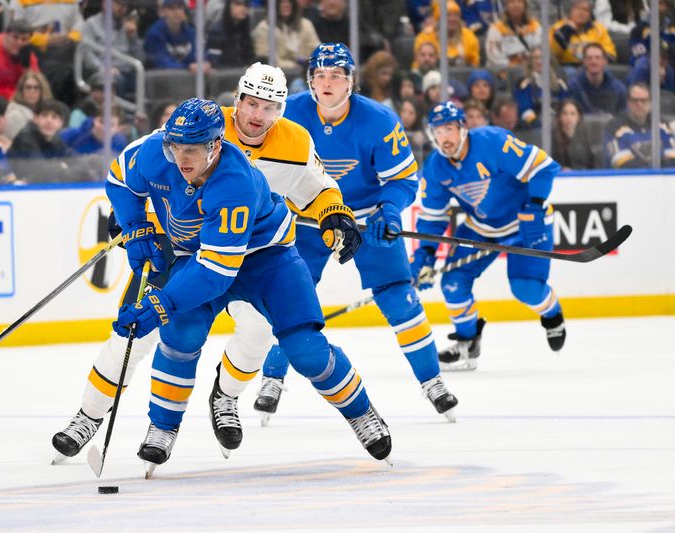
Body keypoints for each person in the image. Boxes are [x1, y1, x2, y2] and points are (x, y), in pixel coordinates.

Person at [50, 62, 367, 459]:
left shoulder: (294, 145)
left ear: (282, 110)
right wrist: (134, 221)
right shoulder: (193, 129)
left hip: (254, 256)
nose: (257, 116)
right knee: (133, 333)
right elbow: (130, 177)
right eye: (251, 103)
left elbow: (318, 190)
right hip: (183, 253)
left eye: (269, 107)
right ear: (236, 100)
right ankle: (87, 417)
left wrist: (334, 211)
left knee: (255, 334)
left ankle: (225, 397)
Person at [106, 98, 392, 476]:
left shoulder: (234, 182)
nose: (181, 158)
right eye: (176, 147)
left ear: (215, 146)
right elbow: (119, 179)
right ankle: (162, 425)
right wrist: (134, 225)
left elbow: (217, 272)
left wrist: (160, 304)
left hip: (265, 258)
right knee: (180, 337)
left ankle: (362, 414)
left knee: (306, 349)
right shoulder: (156, 153)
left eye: (191, 149)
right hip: (202, 256)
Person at [253, 43, 458, 423]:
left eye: (336, 76)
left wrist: (390, 209)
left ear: (351, 82)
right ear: (310, 81)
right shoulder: (287, 114)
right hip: (307, 218)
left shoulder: (379, 120)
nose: (327, 82)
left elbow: (401, 178)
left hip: (364, 219)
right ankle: (272, 377)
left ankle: (432, 381)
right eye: (320, 75)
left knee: (399, 297)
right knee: (288, 299)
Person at [412, 101, 566, 372]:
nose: (444, 137)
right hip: (482, 227)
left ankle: (552, 315)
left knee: (526, 288)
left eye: (449, 129)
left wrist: (534, 206)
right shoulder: (436, 167)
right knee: (452, 282)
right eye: (438, 131)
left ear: (463, 128)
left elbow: (544, 167)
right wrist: (424, 255)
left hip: (525, 222)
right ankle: (468, 342)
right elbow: (433, 217)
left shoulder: (493, 142)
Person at [604, 82, 675, 168]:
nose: (639, 104)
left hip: (662, 178)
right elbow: (622, 162)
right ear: (628, 103)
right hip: (628, 179)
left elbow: (672, 158)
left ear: (650, 102)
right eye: (635, 100)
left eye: (644, 100)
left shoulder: (661, 124)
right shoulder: (614, 127)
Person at [0, 18, 39, 101]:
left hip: (20, 99)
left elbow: (37, 84)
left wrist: (27, 68)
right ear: (5, 35)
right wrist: (22, 97)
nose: (19, 42)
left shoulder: (27, 53)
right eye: (15, 37)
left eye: (24, 39)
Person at [252, 0, 320, 70]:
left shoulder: (306, 25)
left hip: (306, 70)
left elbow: (316, 49)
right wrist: (292, 66)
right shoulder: (265, 28)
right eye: (282, 2)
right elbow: (265, 57)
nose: (286, 5)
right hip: (277, 72)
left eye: (289, 2)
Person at [550, 0, 616, 67]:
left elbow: (610, 54)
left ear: (590, 14)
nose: (581, 12)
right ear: (570, 10)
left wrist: (595, 58)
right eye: (578, 8)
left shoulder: (598, 28)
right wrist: (566, 31)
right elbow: (552, 55)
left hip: (595, 66)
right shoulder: (557, 27)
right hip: (568, 66)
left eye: (585, 10)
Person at [567, 42, 627, 115]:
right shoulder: (573, 88)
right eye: (589, 58)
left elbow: (623, 118)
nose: (593, 61)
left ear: (605, 61)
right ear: (584, 61)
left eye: (598, 58)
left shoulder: (618, 89)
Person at [484, 0, 542, 75]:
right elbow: (494, 58)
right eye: (511, 2)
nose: (516, 5)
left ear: (525, 5)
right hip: (505, 73)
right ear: (506, 6)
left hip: (531, 71)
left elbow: (540, 50)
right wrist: (514, 69)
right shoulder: (496, 29)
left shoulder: (535, 26)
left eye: (519, 2)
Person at [3, 70, 53, 140]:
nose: (32, 91)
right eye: (28, 87)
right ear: (21, 90)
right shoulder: (15, 115)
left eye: (36, 88)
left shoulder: (48, 112)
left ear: (43, 90)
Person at [206, 0, 254, 68]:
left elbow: (249, 58)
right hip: (224, 75)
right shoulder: (217, 31)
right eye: (238, 4)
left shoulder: (244, 30)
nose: (243, 8)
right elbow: (213, 62)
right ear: (228, 7)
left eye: (246, 5)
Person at [551, 98, 595, 170]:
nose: (569, 118)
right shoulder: (551, 138)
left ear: (578, 117)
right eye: (565, 113)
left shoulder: (585, 138)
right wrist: (561, 169)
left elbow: (591, 163)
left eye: (573, 114)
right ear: (559, 117)